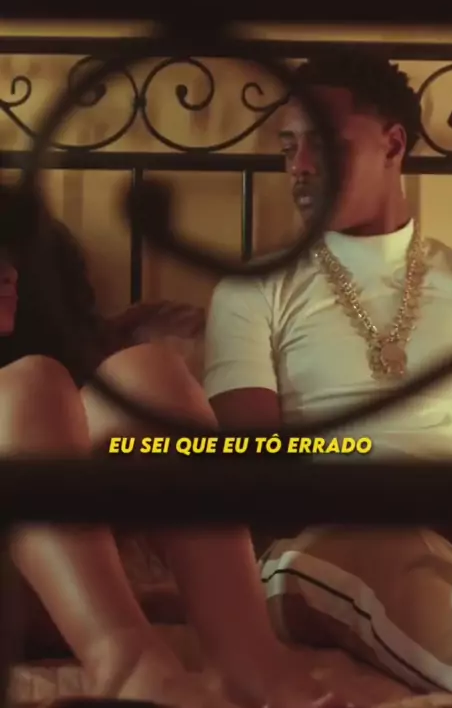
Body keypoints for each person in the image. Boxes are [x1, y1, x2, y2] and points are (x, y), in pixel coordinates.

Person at [203, 47, 452, 693]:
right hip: (332, 535)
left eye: (322, 143)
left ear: (393, 145)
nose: (299, 166)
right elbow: (254, 471)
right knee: (383, 549)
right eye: (287, 148)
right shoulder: (254, 289)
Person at [0, 208, 342, 708]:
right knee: (27, 383)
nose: (8, 272)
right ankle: (128, 668)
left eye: (8, 258)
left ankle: (252, 663)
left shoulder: (46, 382)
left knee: (146, 372)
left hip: (47, 583)